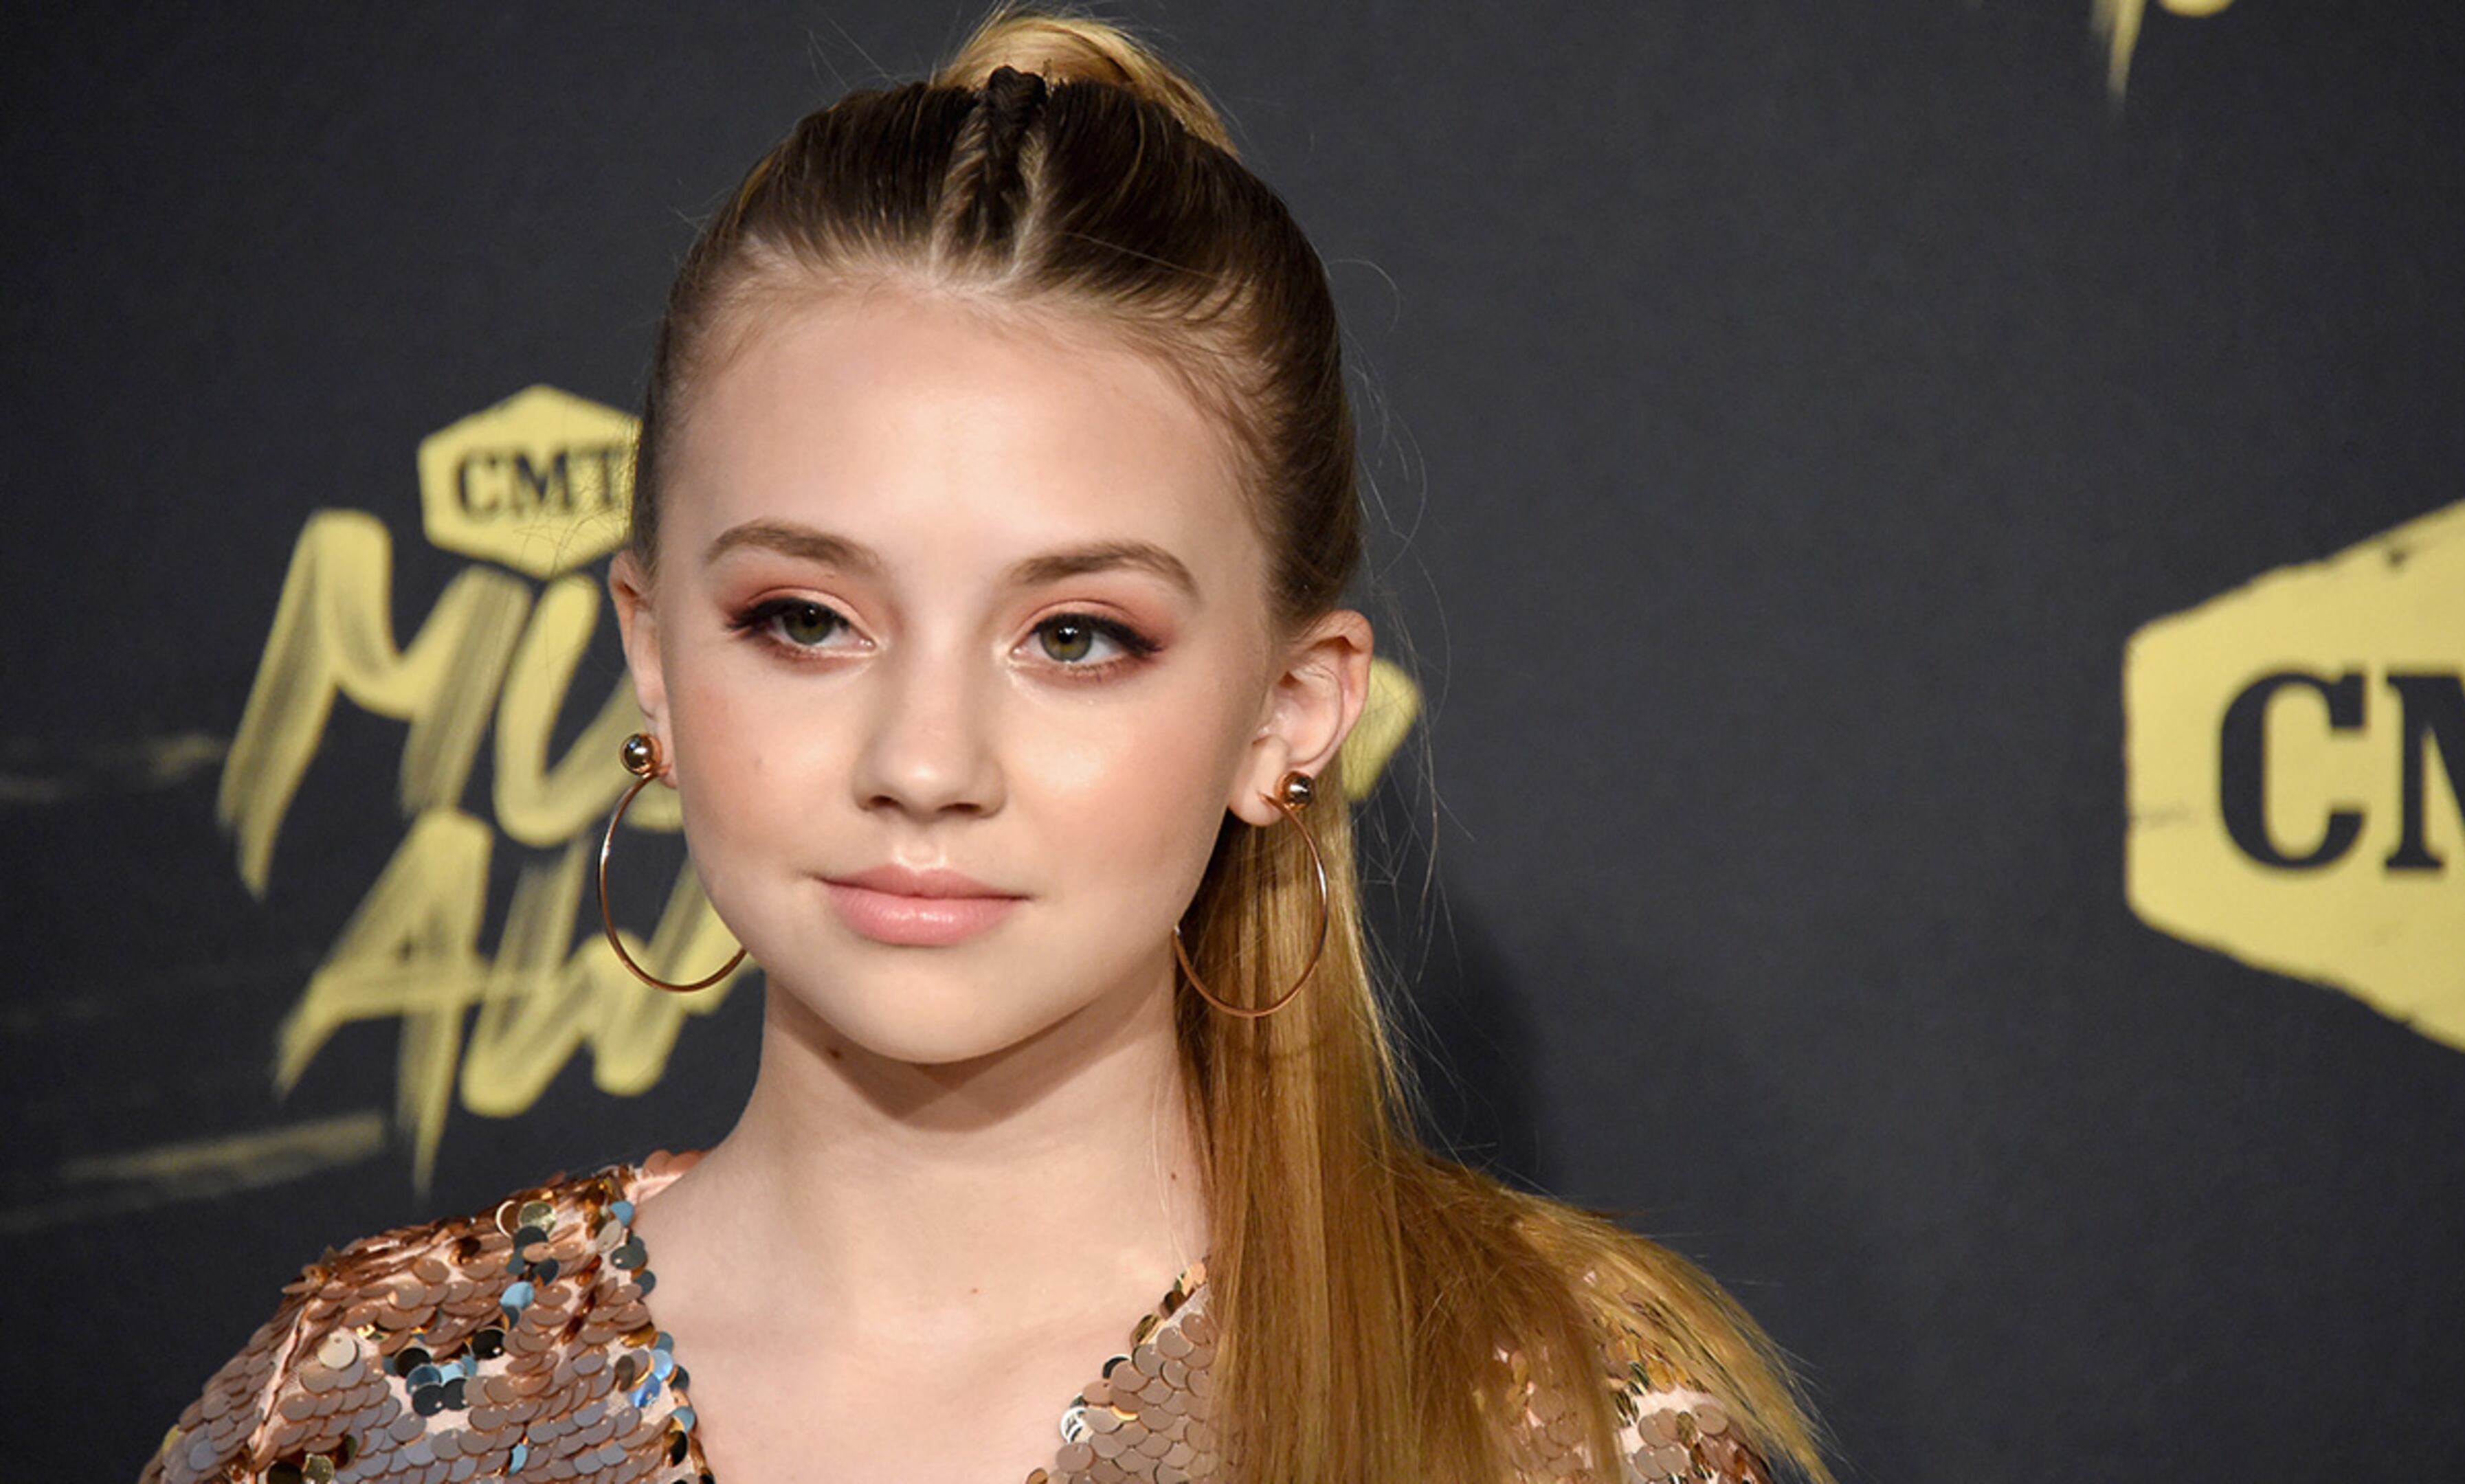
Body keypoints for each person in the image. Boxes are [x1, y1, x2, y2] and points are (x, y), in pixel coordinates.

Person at [140, 8, 1831, 1483]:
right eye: (807, 618)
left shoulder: (1569, 1431)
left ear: (1288, 712)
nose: (925, 759)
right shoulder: (363, 1415)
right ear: (650, 656)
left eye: (1076, 637)